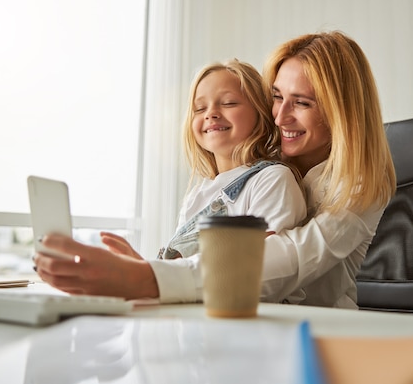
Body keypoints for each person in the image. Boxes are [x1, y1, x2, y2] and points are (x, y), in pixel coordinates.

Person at [35, 31, 396, 309]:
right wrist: (155, 266)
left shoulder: (359, 184)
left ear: (341, 113)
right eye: (276, 97)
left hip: (321, 335)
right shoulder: (257, 171)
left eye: (301, 103)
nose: (280, 116)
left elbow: (291, 258)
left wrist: (147, 277)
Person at [34, 59, 306, 299]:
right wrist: (142, 267)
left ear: (260, 113)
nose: (211, 113)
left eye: (228, 103)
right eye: (200, 109)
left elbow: (265, 275)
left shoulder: (272, 180)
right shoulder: (198, 193)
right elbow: (186, 270)